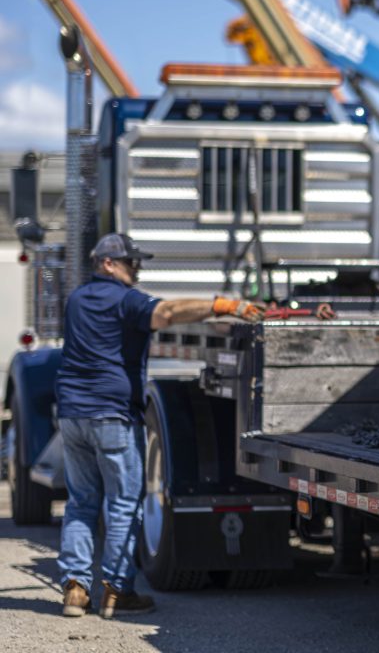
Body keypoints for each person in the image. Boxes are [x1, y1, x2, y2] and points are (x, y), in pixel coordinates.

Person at [56, 233, 265, 619]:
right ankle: (118, 592)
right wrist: (224, 304)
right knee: (122, 505)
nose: (136, 268)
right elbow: (167, 313)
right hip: (112, 415)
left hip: (72, 413)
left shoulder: (76, 300)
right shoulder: (127, 300)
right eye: (130, 262)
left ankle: (75, 589)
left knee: (82, 503)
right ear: (106, 263)